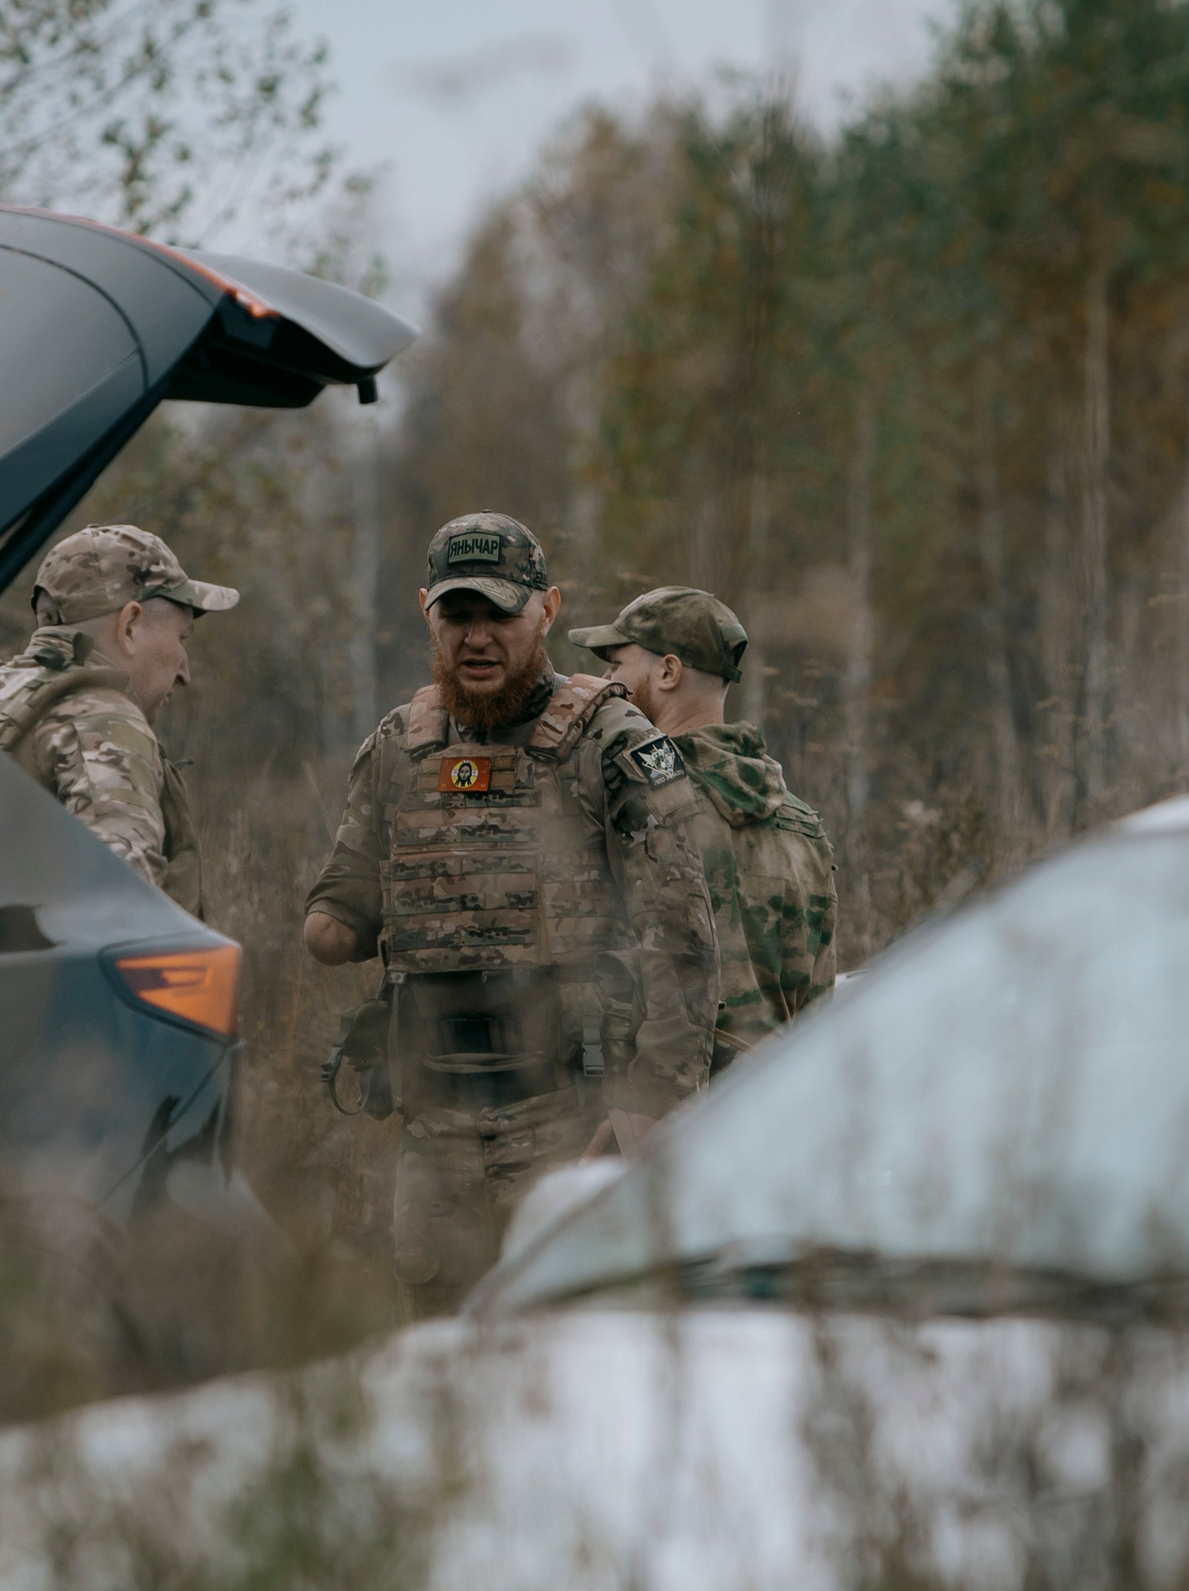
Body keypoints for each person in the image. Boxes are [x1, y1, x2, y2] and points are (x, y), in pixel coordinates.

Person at [304, 513, 719, 1316]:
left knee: (570, 1342)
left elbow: (683, 942)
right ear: (426, 611)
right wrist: (341, 921)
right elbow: (339, 900)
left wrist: (646, 1107)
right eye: (457, 615)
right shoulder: (399, 747)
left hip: (571, 1120)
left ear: (548, 609)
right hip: (434, 1130)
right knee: (441, 1350)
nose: (477, 638)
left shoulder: (611, 743)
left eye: (499, 614)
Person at [570, 586, 837, 1071]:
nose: (605, 682)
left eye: (616, 665)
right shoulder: (803, 825)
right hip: (773, 1099)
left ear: (668, 672)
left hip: (667, 1103)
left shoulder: (639, 808)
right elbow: (818, 1014)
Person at [0, 524, 234, 918]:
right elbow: (120, 905)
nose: (184, 673)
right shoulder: (104, 723)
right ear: (129, 626)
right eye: (182, 638)